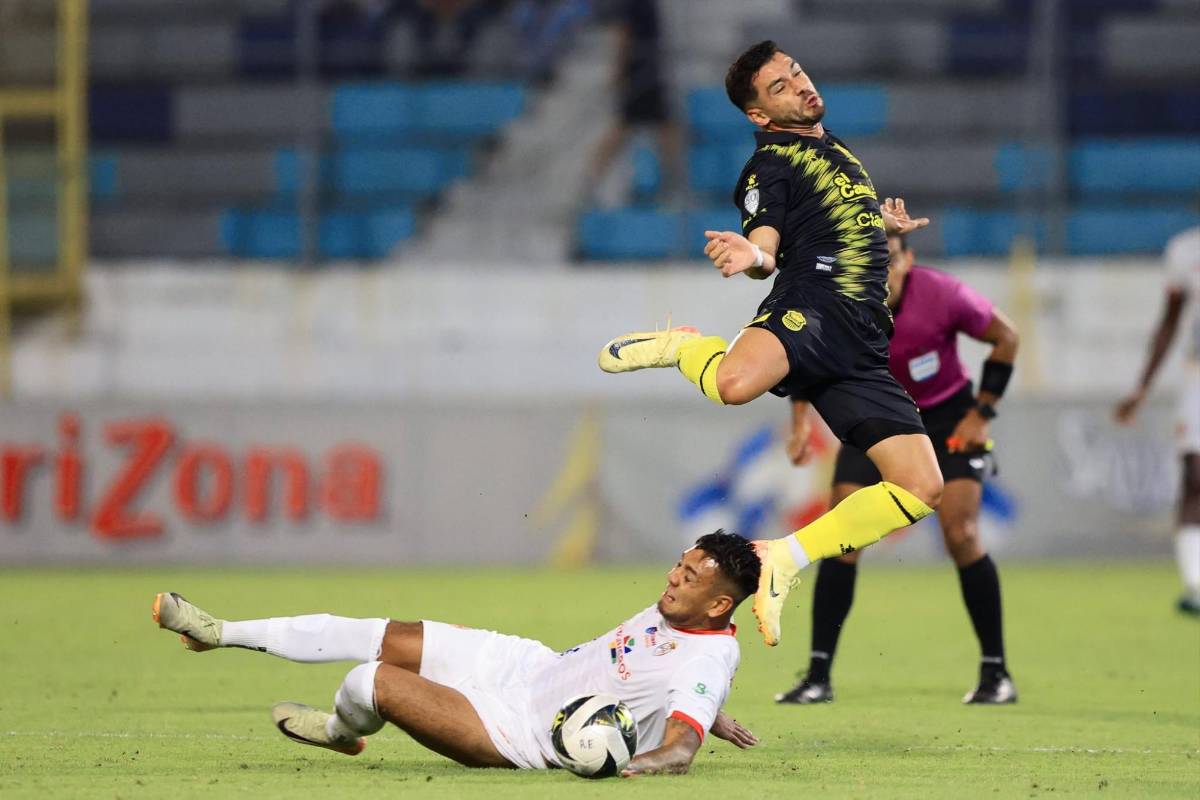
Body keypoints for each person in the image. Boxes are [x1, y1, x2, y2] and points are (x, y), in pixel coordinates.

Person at [598, 40, 942, 647]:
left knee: (920, 486)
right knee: (732, 384)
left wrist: (879, 223)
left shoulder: (834, 150)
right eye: (780, 87)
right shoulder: (771, 163)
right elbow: (767, 245)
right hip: (815, 306)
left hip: (862, 342)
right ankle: (684, 346)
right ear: (759, 115)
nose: (801, 86)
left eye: (798, 73)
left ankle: (784, 557)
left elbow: (828, 215)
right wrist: (753, 255)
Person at [151, 531, 761, 776]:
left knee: (371, 682)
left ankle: (340, 730)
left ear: (718, 607)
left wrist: (672, 747)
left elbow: (682, 742)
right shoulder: (692, 630)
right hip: (529, 666)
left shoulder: (703, 661)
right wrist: (707, 708)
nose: (673, 579)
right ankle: (219, 630)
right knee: (379, 633)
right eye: (679, 566)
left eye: (689, 577)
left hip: (521, 731)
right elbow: (681, 680)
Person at [776, 233, 1020, 705]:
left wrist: (981, 413)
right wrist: (800, 420)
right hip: (878, 421)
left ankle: (996, 673)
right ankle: (817, 676)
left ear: (909, 259)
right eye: (871, 259)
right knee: (840, 535)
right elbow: (809, 355)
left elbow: (1007, 337)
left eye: (889, 259)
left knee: (962, 532)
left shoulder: (944, 295)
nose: (880, 269)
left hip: (950, 419)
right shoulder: (844, 299)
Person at [1115, 224, 1200, 617]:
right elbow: (1170, 322)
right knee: (1195, 474)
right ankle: (1195, 583)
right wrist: (1142, 387)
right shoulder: (1185, 250)